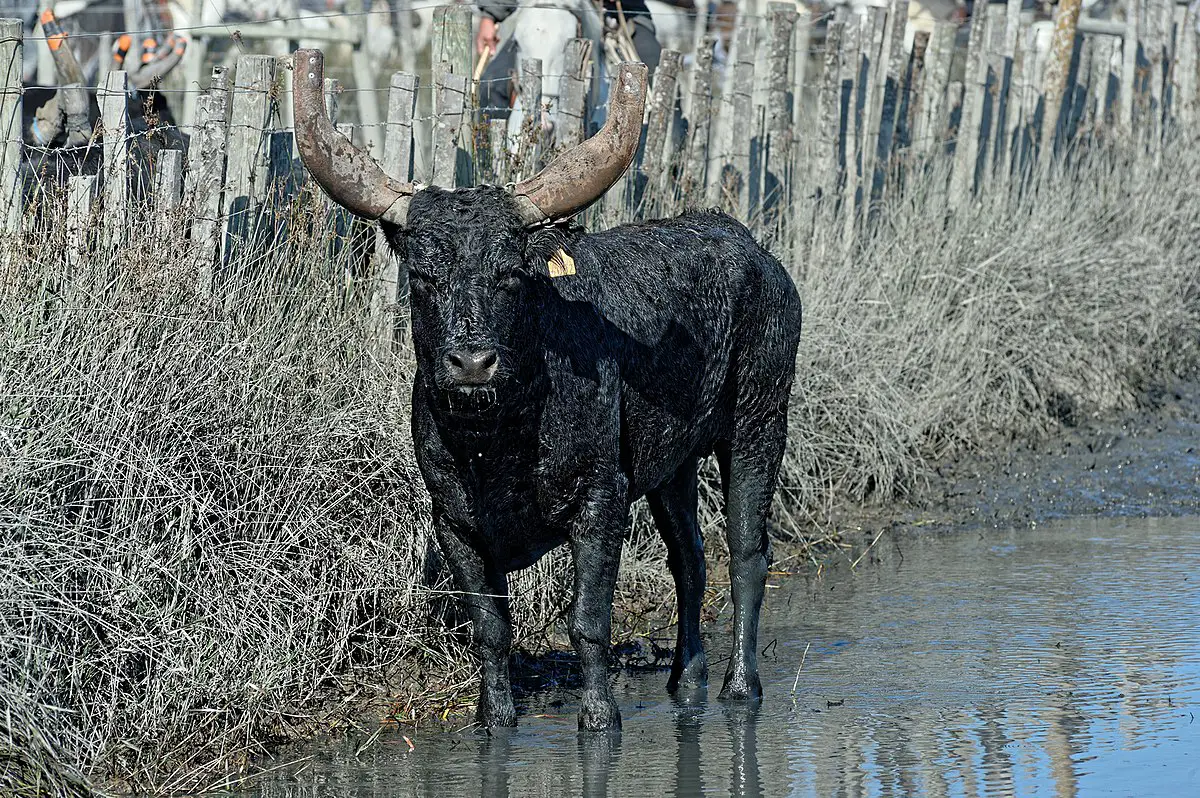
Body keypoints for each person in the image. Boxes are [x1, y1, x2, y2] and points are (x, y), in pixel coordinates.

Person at [476, 0, 665, 123]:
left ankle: (666, 163)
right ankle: (492, 171)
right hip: (548, 11)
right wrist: (490, 15)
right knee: (491, 84)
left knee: (657, 80)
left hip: (614, 10)